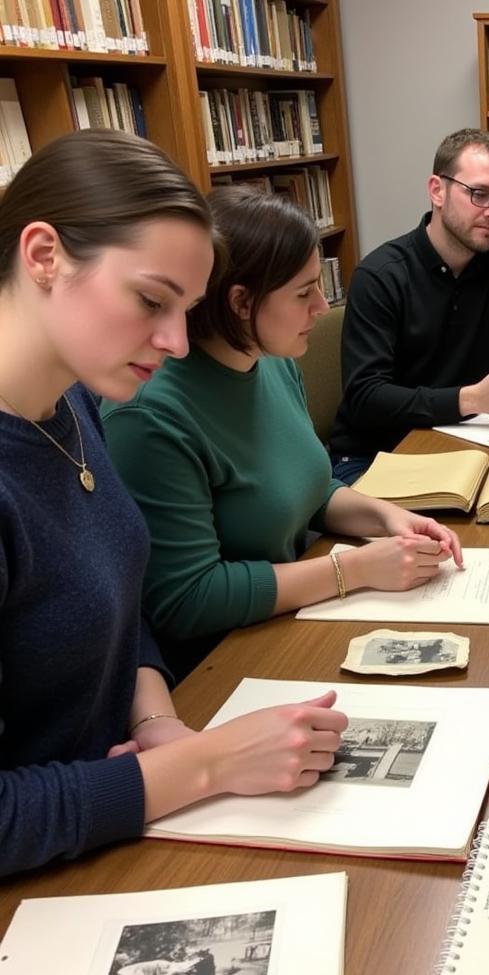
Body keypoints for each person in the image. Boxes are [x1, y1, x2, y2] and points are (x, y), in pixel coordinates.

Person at [0, 130, 348, 879]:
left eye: (186, 309)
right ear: (42, 256)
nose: (178, 343)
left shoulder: (76, 402)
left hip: (121, 814)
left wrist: (156, 718)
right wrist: (205, 765)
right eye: (152, 300)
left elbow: (120, 609)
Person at [103, 187, 463, 677]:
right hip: (222, 661)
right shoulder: (151, 416)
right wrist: (353, 570)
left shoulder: (270, 358)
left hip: (295, 616)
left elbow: (305, 490)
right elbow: (187, 599)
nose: (322, 305)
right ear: (240, 303)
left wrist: (385, 518)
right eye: (303, 292)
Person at [328, 128, 489, 483]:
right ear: (437, 190)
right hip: (376, 454)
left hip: (467, 448)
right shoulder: (380, 275)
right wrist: (471, 400)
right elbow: (367, 397)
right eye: (480, 194)